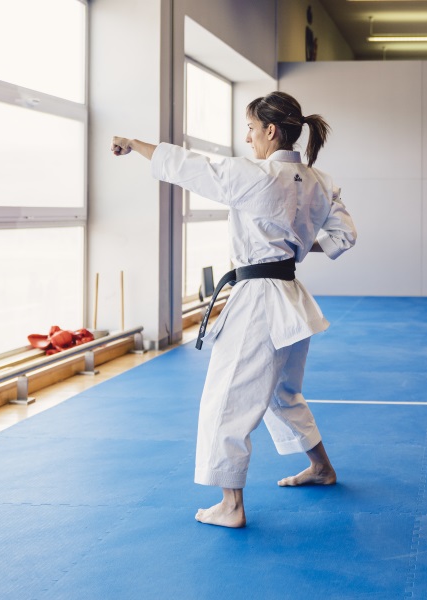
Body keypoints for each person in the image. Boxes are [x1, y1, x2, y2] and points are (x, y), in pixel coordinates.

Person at [111, 91, 356, 528]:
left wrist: (133, 143)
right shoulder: (320, 181)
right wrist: (291, 245)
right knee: (283, 394)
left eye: (250, 128)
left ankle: (231, 505)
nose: (247, 139)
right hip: (291, 295)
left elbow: (187, 166)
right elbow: (343, 238)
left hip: (260, 301)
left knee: (226, 400)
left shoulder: (256, 176)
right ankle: (321, 467)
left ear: (270, 130)